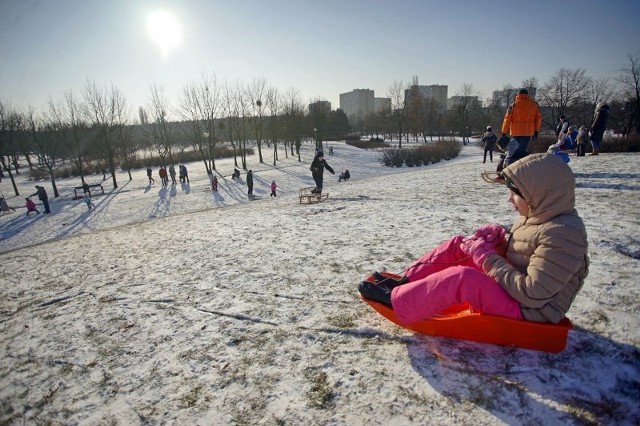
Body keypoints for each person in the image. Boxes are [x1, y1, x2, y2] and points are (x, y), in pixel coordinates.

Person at [359, 153, 589, 325]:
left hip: (532, 311)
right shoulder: (540, 214)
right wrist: (499, 238)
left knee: (464, 278)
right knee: (462, 244)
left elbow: (533, 293)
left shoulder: (565, 235)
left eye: (515, 194)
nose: (509, 200)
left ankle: (400, 302)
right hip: (516, 295)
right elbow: (527, 250)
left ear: (540, 195)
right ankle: (407, 283)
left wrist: (487, 257)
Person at [501, 88, 542, 155]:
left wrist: (504, 132)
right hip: (528, 131)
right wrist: (536, 131)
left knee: (515, 149)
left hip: (515, 131)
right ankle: (522, 162)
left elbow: (507, 119)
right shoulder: (534, 105)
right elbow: (538, 118)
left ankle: (514, 162)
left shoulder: (512, 106)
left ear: (518, 95)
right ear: (527, 95)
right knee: (522, 148)